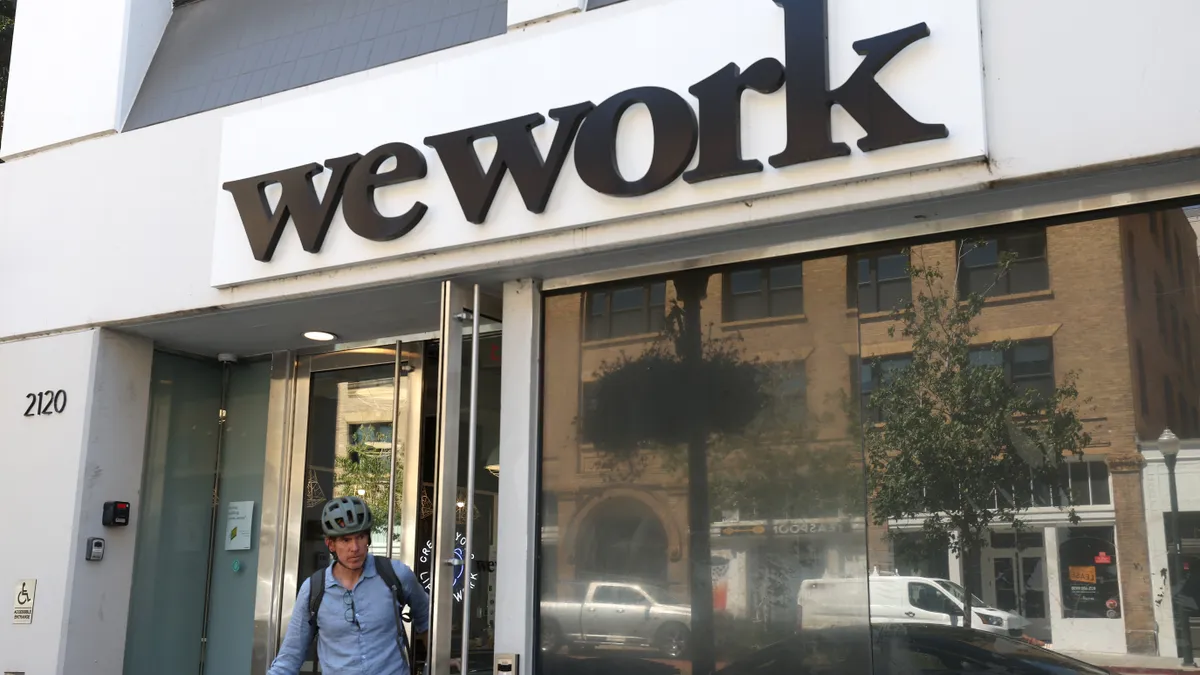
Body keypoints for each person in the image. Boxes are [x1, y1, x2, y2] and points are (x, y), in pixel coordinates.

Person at [268, 495, 439, 675]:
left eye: (360, 537)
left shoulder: (395, 574)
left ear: (368, 539)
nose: (355, 547)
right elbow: (290, 658)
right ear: (330, 544)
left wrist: (440, 661)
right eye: (345, 540)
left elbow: (428, 621)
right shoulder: (313, 589)